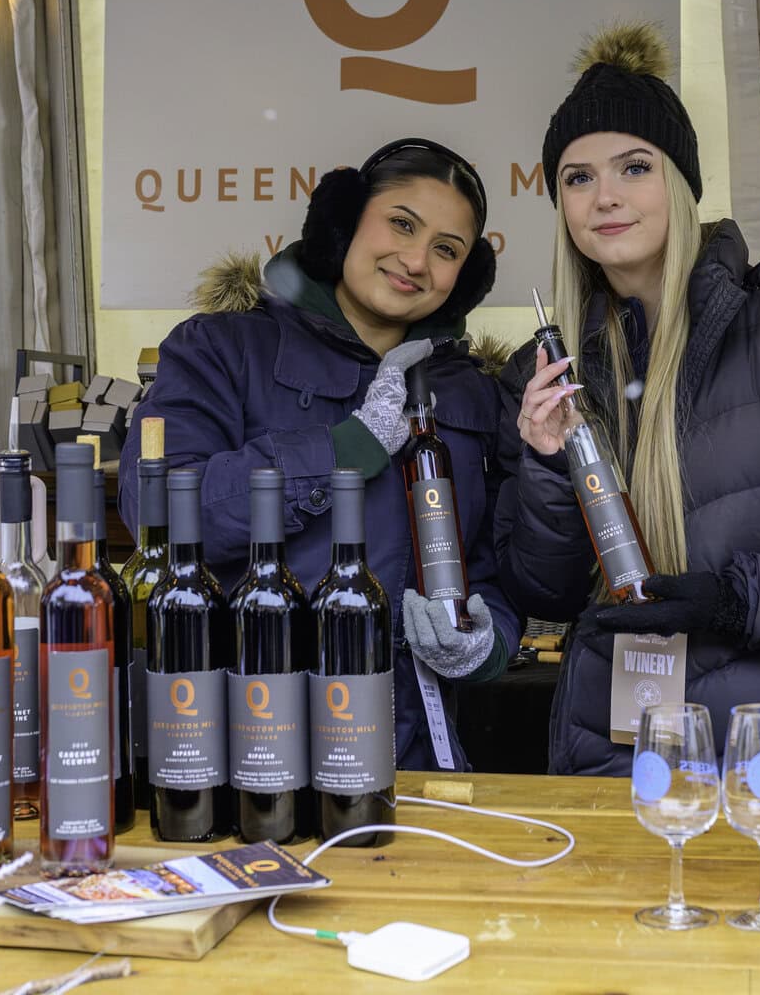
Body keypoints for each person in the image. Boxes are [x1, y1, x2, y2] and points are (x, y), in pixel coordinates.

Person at [496, 24, 760, 775]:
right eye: (577, 178)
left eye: (634, 168)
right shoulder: (544, 375)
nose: (605, 197)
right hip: (613, 756)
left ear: (680, 182)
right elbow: (546, 591)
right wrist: (544, 465)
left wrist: (738, 601)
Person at [120, 138, 520, 770]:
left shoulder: (472, 394)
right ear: (342, 222)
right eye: (401, 224)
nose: (416, 260)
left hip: (410, 753)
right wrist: (348, 448)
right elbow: (158, 508)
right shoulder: (222, 349)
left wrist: (484, 641)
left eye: (446, 249)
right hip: (250, 742)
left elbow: (495, 570)